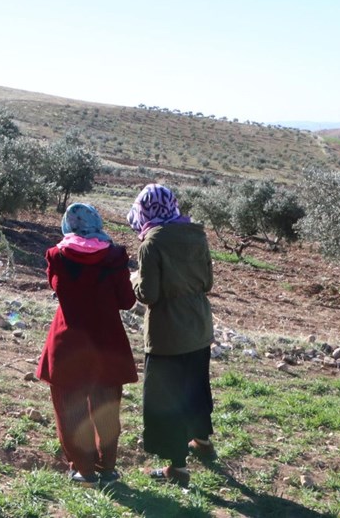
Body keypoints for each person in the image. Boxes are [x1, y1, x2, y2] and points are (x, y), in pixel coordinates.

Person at [36, 203, 139, 486]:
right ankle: (107, 469)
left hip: (68, 344)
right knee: (106, 409)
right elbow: (127, 301)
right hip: (107, 345)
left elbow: (56, 288)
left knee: (71, 410)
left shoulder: (57, 255)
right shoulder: (115, 256)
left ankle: (84, 470)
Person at [127, 183, 215, 487]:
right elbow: (207, 283)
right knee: (196, 389)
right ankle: (202, 442)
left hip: (168, 335)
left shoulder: (151, 243)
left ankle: (177, 469)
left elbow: (148, 295)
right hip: (199, 328)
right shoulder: (196, 234)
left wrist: (134, 278)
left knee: (168, 400)